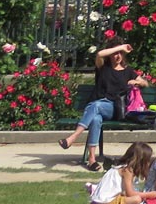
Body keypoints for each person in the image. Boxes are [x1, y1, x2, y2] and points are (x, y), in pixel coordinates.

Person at [60, 38, 140, 169]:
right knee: (96, 119)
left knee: (95, 106)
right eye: (115, 52)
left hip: (114, 109)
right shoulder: (103, 67)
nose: (118, 55)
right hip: (98, 108)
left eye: (120, 53)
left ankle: (73, 137)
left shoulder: (128, 71)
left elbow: (145, 82)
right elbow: (99, 54)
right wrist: (120, 47)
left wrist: (137, 82)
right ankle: (92, 159)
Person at [76, 141, 156, 204]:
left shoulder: (121, 167)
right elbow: (130, 193)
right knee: (137, 199)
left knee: (132, 197)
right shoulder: (127, 170)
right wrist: (149, 194)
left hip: (97, 203)